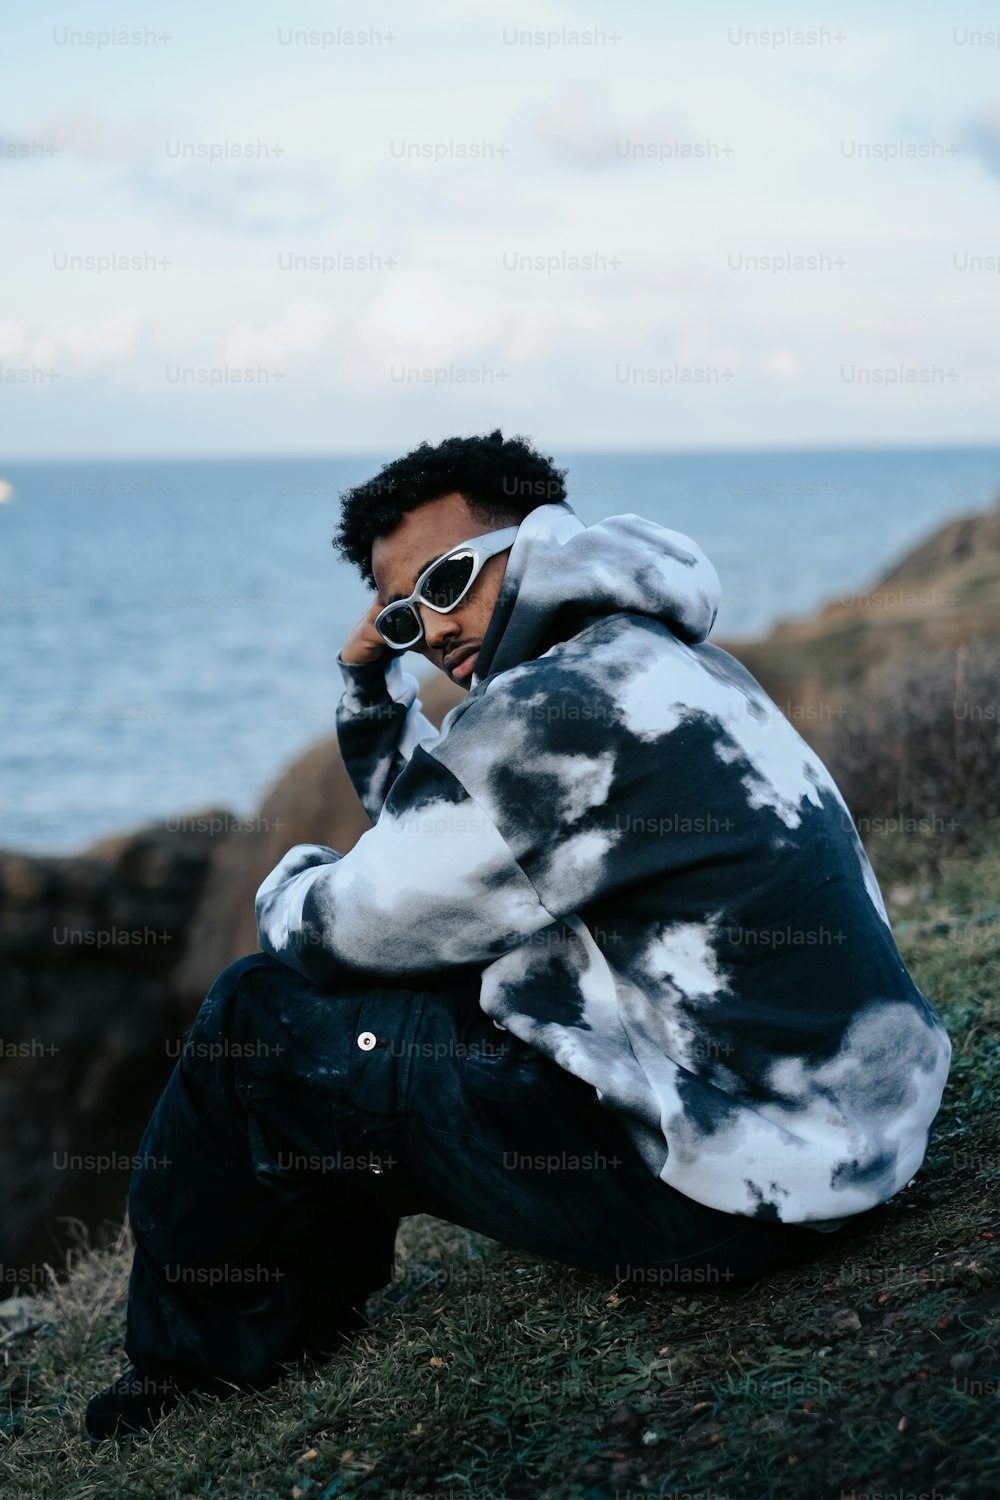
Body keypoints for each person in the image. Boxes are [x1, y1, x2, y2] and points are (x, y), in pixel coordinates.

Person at [85, 429, 952, 1440]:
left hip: (738, 1196)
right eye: (403, 615)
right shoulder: (664, 660)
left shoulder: (555, 710)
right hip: (854, 1138)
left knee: (260, 1015)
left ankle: (191, 1374)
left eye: (450, 579)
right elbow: (444, 859)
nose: (432, 628)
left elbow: (340, 928)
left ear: (538, 540)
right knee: (413, 990)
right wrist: (378, 693)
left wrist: (295, 878)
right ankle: (296, 1294)